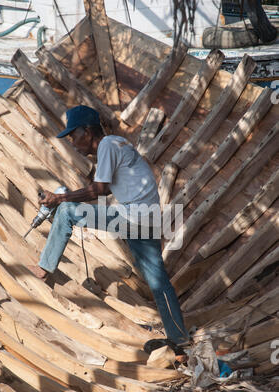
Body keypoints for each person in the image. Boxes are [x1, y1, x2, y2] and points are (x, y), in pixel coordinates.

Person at [28, 105, 190, 350]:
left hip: (134, 217)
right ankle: (179, 339)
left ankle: (43, 268)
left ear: (88, 132)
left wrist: (59, 199)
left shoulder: (107, 145)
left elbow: (99, 191)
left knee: (67, 211)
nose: (72, 142)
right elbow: (99, 186)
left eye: (74, 135)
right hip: (148, 219)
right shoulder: (117, 144)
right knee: (158, 281)